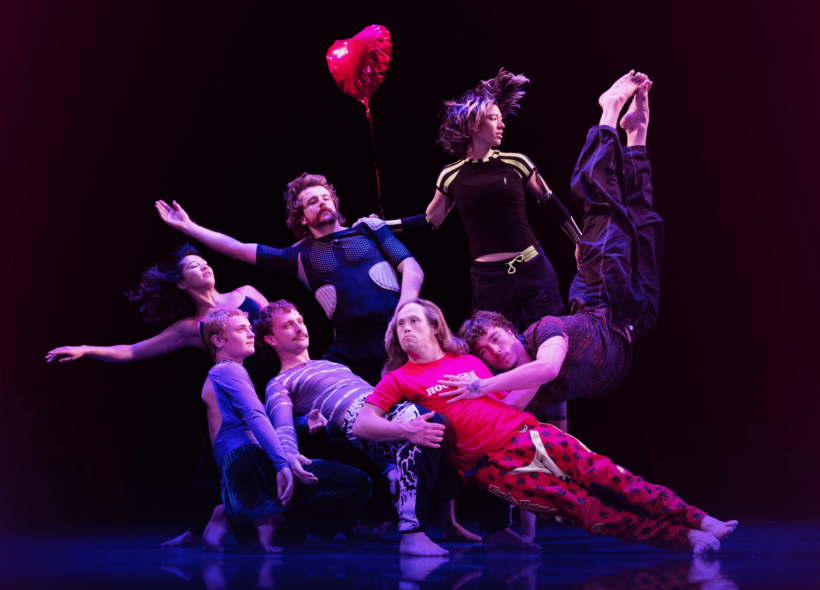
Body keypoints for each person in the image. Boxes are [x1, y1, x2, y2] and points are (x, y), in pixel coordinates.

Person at [353, 298, 737, 553]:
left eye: (413, 321)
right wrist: (406, 430)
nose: (405, 328)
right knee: (583, 510)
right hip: (493, 466)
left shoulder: (467, 362)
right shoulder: (399, 377)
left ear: (435, 326)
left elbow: (507, 398)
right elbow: (363, 425)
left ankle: (699, 518)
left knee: (611, 474)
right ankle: (685, 538)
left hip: (528, 432)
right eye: (399, 324)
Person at [446, 74, 664, 421]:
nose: (496, 351)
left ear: (513, 330)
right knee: (645, 222)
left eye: (496, 338)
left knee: (600, 200)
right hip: (636, 320)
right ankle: (637, 134)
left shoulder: (544, 331)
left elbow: (546, 368)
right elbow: (517, 412)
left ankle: (608, 111)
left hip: (603, 297)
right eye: (485, 352)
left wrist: (477, 389)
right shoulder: (520, 390)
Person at [380, 69, 584, 430]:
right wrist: (379, 226)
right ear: (474, 123)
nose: (501, 125)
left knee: (547, 347)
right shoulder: (452, 174)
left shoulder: (517, 162)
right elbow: (429, 222)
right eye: (494, 118)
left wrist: (580, 240)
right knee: (496, 355)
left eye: (502, 119)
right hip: (489, 281)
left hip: (534, 271)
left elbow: (552, 204)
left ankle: (561, 434)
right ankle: (511, 431)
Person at [44, 244, 273, 547]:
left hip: (275, 384)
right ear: (181, 283)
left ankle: (347, 523)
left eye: (205, 262)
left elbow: (280, 324)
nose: (205, 266)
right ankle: (197, 530)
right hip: (232, 398)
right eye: (194, 266)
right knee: (209, 464)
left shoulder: (248, 293)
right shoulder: (192, 327)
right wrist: (86, 349)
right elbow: (132, 351)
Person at [254, 299, 485, 556]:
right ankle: (412, 535)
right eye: (288, 325)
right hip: (359, 419)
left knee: (436, 426)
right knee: (424, 422)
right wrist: (288, 455)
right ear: (271, 340)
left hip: (384, 408)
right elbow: (282, 425)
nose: (299, 328)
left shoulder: (333, 365)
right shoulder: (280, 381)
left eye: (299, 321)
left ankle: (449, 524)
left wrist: (387, 466)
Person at [156, 173, 424, 385]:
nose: (322, 203)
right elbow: (237, 248)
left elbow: (413, 270)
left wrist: (401, 317)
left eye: (325, 197)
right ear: (302, 218)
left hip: (400, 332)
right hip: (351, 352)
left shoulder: (369, 228)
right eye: (312, 202)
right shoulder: (298, 256)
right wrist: (189, 227)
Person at [201, 308, 372, 552]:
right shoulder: (228, 370)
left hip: (243, 463)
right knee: (355, 483)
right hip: (249, 461)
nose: (250, 334)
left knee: (294, 531)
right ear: (218, 340)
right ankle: (243, 515)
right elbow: (255, 416)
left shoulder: (226, 373)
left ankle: (244, 513)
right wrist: (282, 465)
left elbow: (259, 417)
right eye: (241, 329)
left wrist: (303, 422)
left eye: (249, 328)